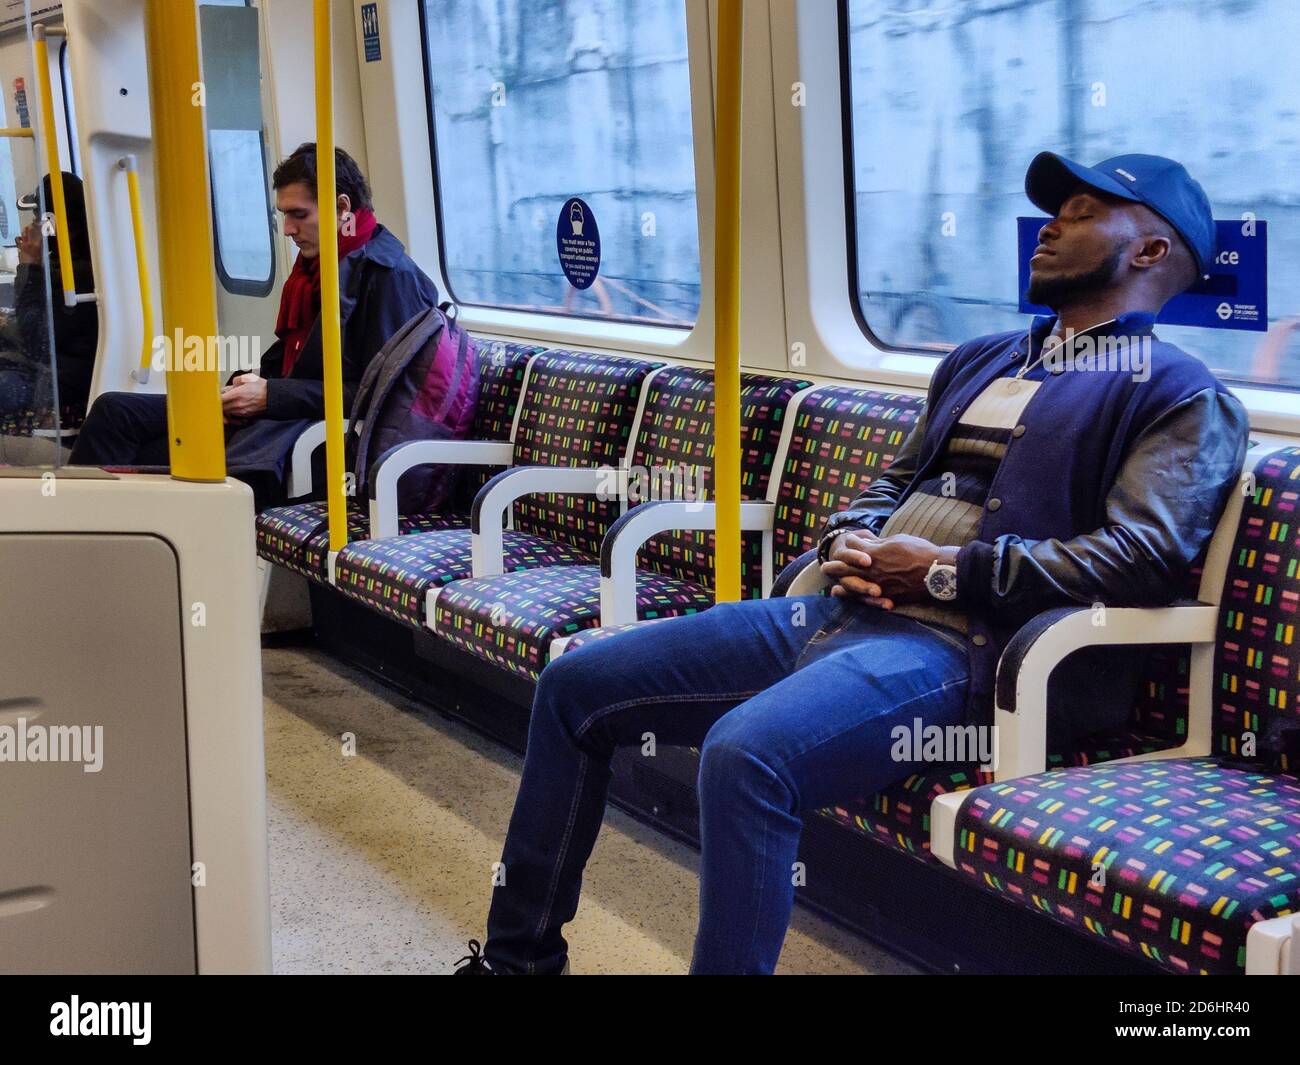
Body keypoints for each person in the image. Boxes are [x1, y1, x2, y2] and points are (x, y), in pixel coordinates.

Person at [454, 152, 1251, 975]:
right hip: (843, 609)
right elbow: (895, 482)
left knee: (745, 755)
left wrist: (944, 571)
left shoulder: (1179, 393)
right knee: (575, 686)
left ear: (1151, 252)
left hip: (974, 653)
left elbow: (1140, 558)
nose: (1050, 224)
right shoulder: (980, 360)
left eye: (1082, 211)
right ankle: (517, 962)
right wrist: (850, 539)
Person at [69, 143, 439, 508]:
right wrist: (243, 388)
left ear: (342, 208)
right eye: (284, 216)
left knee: (146, 466)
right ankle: (76, 537)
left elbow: (383, 395)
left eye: (298, 215)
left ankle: (103, 540)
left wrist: (270, 397)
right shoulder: (318, 270)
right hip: (282, 416)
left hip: (315, 438)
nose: (288, 229)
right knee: (115, 414)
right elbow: (291, 360)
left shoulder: (389, 278)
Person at [0, 173, 98, 426]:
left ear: (55, 225)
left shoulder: (77, 276)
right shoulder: (62, 265)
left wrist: (30, 266)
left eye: (38, 218)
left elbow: (38, 341)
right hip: (42, 368)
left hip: (56, 381)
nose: (32, 226)